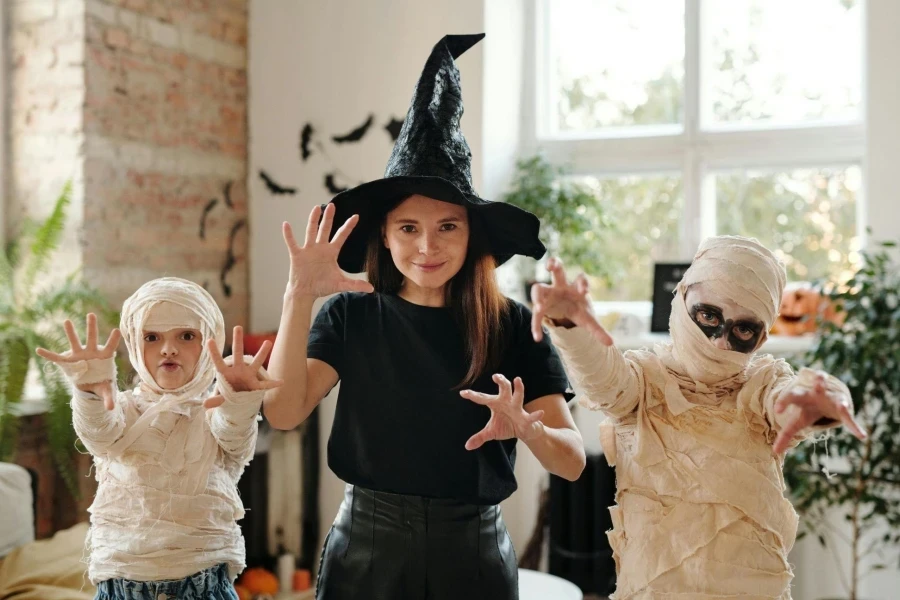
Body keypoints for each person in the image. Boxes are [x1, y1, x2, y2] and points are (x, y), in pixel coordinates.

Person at [263, 34, 585, 600]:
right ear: (384, 238)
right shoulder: (349, 317)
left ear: (471, 235)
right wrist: (297, 296)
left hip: (475, 558)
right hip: (365, 553)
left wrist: (529, 429)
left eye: (448, 227)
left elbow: (574, 463)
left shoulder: (511, 325)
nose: (427, 247)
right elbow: (285, 411)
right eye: (408, 228)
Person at [530, 236, 867, 600]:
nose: (720, 342)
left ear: (762, 335)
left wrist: (826, 397)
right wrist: (570, 325)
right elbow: (605, 384)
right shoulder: (644, 382)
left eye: (743, 330)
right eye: (709, 315)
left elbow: (786, 399)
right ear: (681, 300)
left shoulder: (762, 384)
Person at [36, 277, 281, 600]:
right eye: (152, 337)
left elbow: (233, 435)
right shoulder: (122, 409)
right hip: (121, 587)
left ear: (209, 341)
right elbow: (100, 432)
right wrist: (89, 393)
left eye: (187, 335)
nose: (168, 348)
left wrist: (238, 399)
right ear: (136, 345)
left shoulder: (214, 413)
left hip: (204, 586)